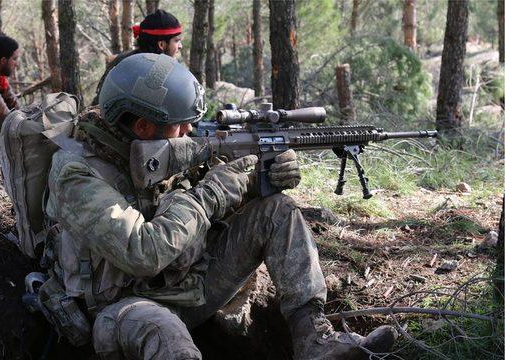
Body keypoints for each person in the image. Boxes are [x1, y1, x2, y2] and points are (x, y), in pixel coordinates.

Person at [44, 53, 397, 359]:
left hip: (190, 285)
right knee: (170, 339)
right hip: (122, 310)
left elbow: (219, 208)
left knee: (277, 211)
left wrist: (260, 179)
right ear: (142, 125)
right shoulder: (77, 173)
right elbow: (142, 252)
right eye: (181, 126)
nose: (189, 133)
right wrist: (211, 193)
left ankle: (315, 340)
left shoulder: (162, 149)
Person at [91, 9, 183, 105]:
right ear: (161, 44)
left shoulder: (124, 59)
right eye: (176, 41)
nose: (180, 46)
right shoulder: (155, 74)